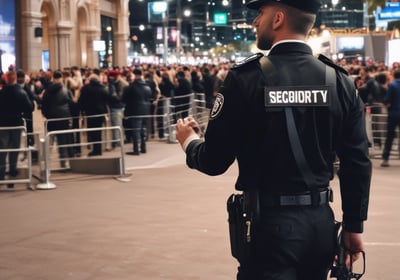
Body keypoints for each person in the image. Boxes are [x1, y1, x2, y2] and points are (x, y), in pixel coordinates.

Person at [176, 0, 372, 279]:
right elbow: (357, 162)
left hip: (269, 227)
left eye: (261, 13)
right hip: (321, 225)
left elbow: (214, 161)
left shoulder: (244, 79)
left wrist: (189, 141)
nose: (256, 21)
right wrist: (354, 225)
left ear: (278, 18)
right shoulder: (339, 81)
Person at [0, 71, 34, 188]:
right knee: (14, 149)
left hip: (2, 125)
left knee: (2, 150)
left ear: (6, 79)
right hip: (16, 124)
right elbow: (30, 107)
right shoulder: (21, 92)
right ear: (15, 80)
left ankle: (1, 174)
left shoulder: (1, 92)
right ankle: (12, 173)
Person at [41, 70, 74, 168]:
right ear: (61, 79)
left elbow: (44, 105)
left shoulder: (48, 90)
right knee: (64, 139)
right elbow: (71, 104)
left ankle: (48, 163)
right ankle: (65, 162)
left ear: (53, 78)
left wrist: (47, 115)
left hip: (52, 118)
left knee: (52, 139)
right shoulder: (66, 90)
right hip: (64, 117)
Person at [79, 72, 110, 156]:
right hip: (101, 112)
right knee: (98, 132)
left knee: (92, 132)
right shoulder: (103, 88)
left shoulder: (85, 89)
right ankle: (98, 149)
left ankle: (95, 150)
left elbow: (81, 101)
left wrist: (82, 111)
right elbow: (107, 99)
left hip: (90, 113)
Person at [122, 68, 152, 155]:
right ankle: (143, 147)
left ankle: (136, 149)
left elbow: (125, 99)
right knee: (143, 129)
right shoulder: (146, 86)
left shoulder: (131, 87)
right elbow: (150, 96)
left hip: (135, 110)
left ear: (134, 75)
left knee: (136, 130)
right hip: (145, 110)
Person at [381, 69, 400, 167]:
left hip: (393, 113)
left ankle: (385, 158)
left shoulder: (392, 85)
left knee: (390, 136)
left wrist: (385, 103)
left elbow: (388, 99)